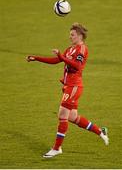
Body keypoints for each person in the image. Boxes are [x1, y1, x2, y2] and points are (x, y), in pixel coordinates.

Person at [26, 22, 109, 158]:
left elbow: (77, 66)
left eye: (72, 35)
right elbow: (56, 60)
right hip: (68, 86)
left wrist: (61, 56)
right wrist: (36, 58)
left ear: (80, 36)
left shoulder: (82, 49)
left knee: (62, 114)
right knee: (72, 117)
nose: (70, 37)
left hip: (74, 86)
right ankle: (101, 132)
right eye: (70, 35)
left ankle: (57, 148)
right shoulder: (70, 49)